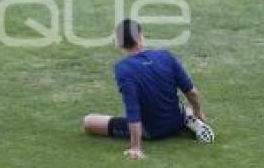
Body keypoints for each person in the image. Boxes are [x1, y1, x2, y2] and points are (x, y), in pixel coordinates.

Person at [83, 19, 215, 159]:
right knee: (185, 109)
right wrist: (198, 112)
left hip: (152, 130)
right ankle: (190, 119)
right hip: (176, 120)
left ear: (118, 43)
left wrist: (136, 147)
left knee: (89, 121)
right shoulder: (166, 56)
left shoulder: (123, 68)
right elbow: (192, 92)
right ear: (140, 37)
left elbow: (133, 110)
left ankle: (185, 119)